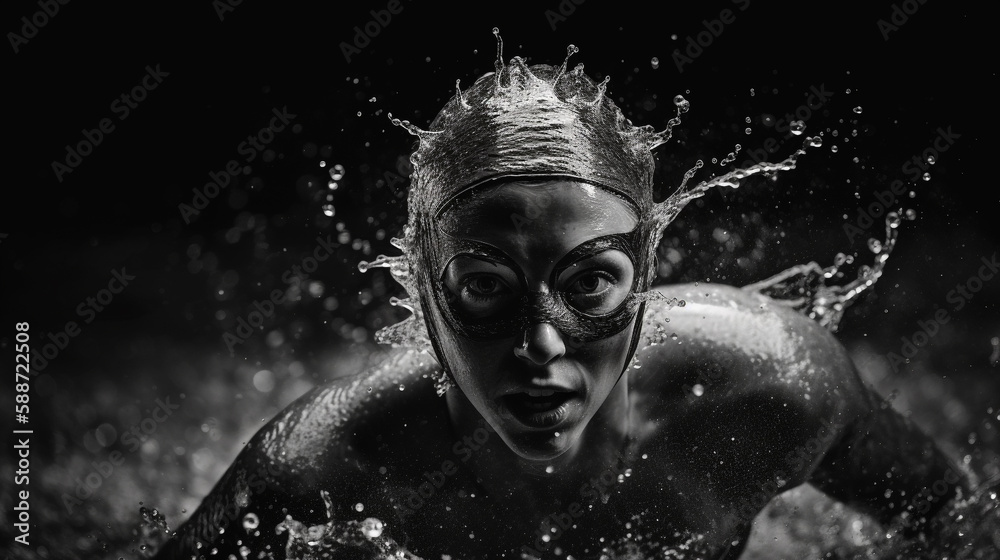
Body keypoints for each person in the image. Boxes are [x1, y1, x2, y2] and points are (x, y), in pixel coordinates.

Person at [151, 42, 978, 560]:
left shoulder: (773, 390)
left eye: (589, 284)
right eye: (484, 289)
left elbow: (956, 521)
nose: (541, 349)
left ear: (645, 272)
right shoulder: (324, 474)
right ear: (417, 285)